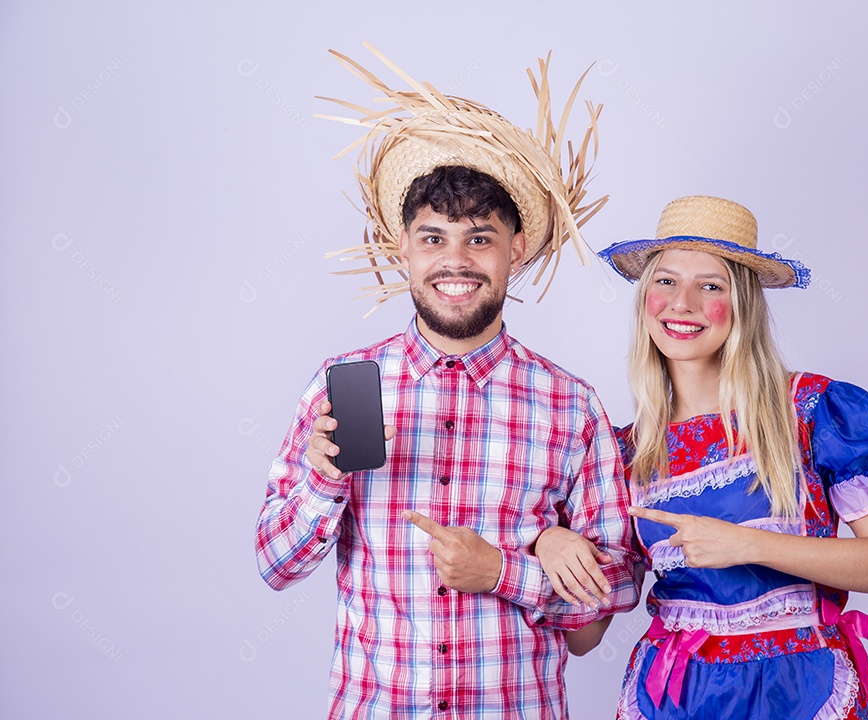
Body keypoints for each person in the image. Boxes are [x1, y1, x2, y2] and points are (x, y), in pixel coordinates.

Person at [255, 48, 640, 720]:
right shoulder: (345, 386)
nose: (455, 261)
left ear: (514, 250)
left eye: (479, 239)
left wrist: (504, 570)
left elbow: (608, 599)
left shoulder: (569, 405)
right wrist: (323, 481)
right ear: (401, 248)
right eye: (432, 239)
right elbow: (276, 567)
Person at [537, 195, 868, 719]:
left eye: (710, 286)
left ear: (741, 305)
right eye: (666, 280)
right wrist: (550, 540)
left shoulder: (807, 411)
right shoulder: (626, 452)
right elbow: (585, 638)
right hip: (677, 697)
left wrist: (743, 543)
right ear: (645, 296)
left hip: (800, 688)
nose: (683, 303)